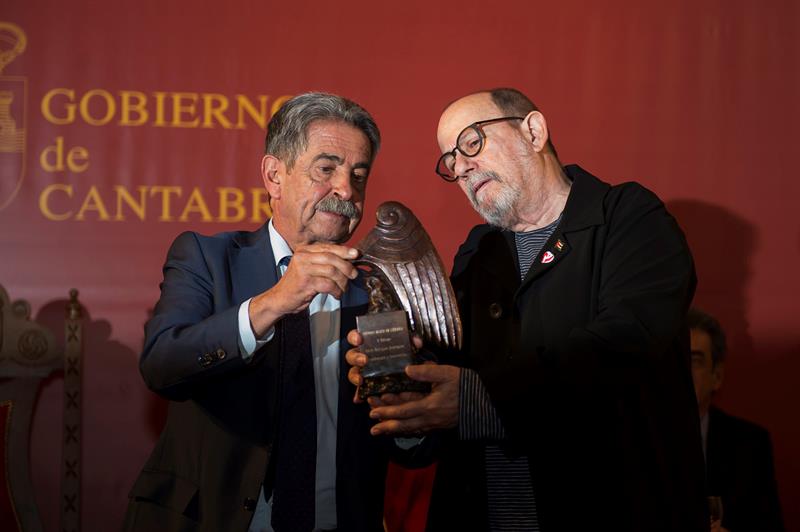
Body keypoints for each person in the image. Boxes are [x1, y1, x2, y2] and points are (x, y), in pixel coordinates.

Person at [347, 88, 707, 531]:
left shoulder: (629, 217)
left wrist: (478, 401)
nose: (460, 167)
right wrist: (408, 389)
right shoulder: (478, 252)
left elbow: (622, 346)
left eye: (471, 142)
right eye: (450, 162)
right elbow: (450, 380)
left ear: (533, 131)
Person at [124, 92, 419, 532]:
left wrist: (405, 406)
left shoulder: (381, 288)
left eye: (359, 175)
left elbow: (414, 445)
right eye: (327, 168)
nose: (346, 190)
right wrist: (277, 299)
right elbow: (162, 363)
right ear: (274, 175)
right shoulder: (207, 258)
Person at [688, 307, 785, 532]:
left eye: (695, 360)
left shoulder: (750, 444)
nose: (683, 370)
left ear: (717, 376)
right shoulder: (633, 440)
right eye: (675, 360)